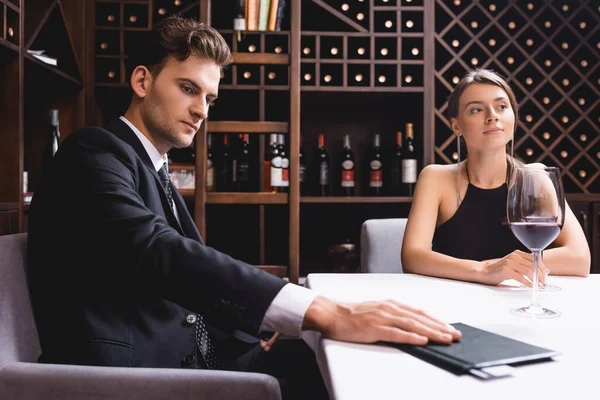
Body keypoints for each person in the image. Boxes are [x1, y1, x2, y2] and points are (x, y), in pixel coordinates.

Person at [27, 16, 461, 400]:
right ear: (142, 82)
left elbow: (180, 275)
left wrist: (257, 327)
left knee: (380, 355)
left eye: (210, 98)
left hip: (204, 353)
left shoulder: (150, 166)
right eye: (187, 89)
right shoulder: (92, 154)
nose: (200, 110)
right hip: (143, 375)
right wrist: (320, 310)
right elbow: (156, 251)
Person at [401, 68, 590, 287]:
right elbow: (412, 256)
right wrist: (484, 270)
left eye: (502, 106)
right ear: (456, 125)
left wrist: (509, 266)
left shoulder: (536, 176)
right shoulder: (435, 178)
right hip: (453, 305)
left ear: (513, 117)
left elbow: (580, 258)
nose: (492, 116)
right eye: (476, 110)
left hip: (520, 306)